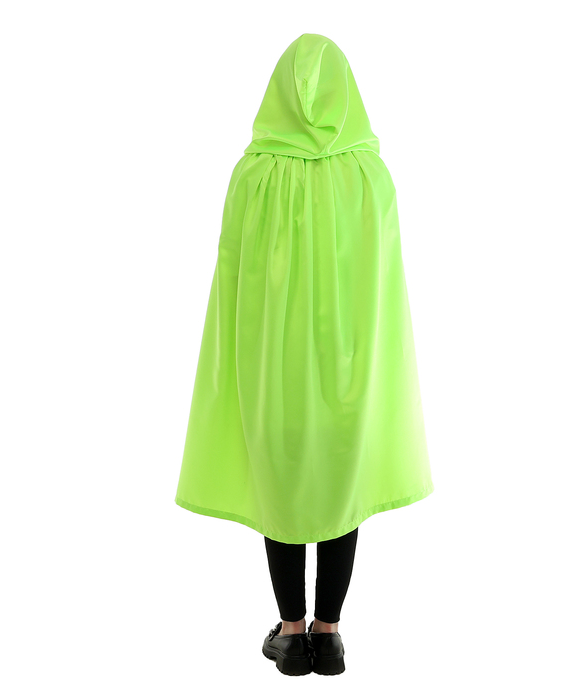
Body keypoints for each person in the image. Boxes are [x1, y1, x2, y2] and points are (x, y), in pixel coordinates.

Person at [175, 33, 434, 676]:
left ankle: (291, 635)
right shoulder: (371, 176)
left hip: (272, 373)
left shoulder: (253, 174)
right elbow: (386, 289)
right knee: (341, 491)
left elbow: (230, 278)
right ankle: (330, 633)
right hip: (351, 372)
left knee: (283, 493)